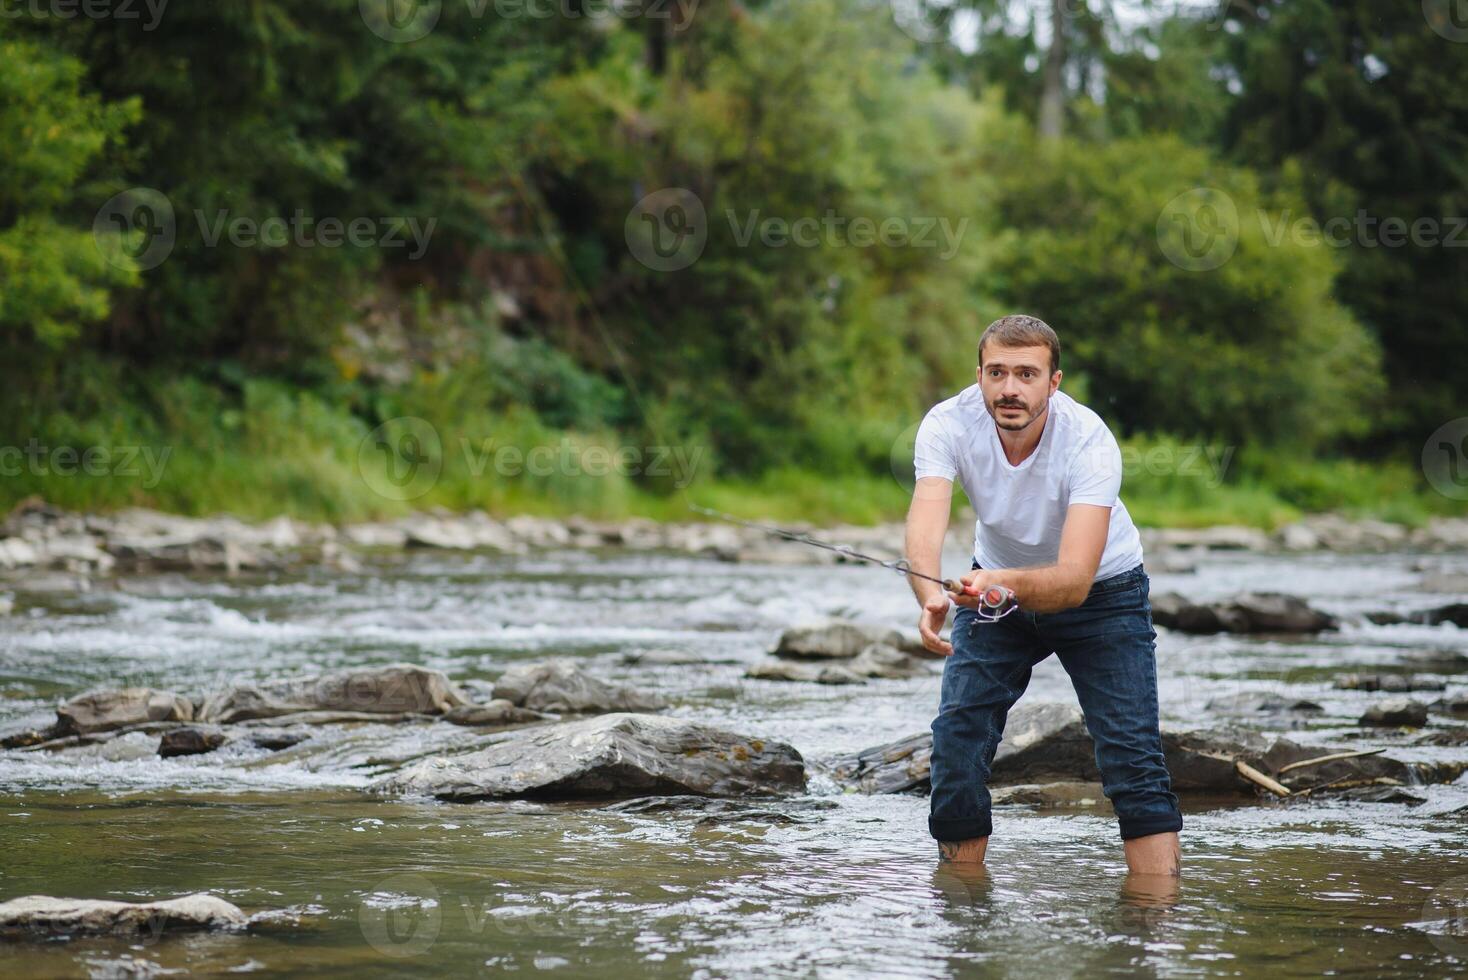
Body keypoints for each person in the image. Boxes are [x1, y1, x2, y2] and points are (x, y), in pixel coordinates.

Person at [903, 314, 1182, 875]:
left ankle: (1154, 921)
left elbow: (1075, 578)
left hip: (1104, 595)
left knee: (1132, 757)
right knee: (956, 740)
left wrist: (1001, 583)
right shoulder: (947, 423)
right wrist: (930, 591)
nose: (1010, 388)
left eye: (1027, 374)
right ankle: (962, 906)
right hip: (993, 593)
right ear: (979, 375)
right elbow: (926, 518)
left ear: (1054, 382)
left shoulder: (1089, 441)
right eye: (997, 373)